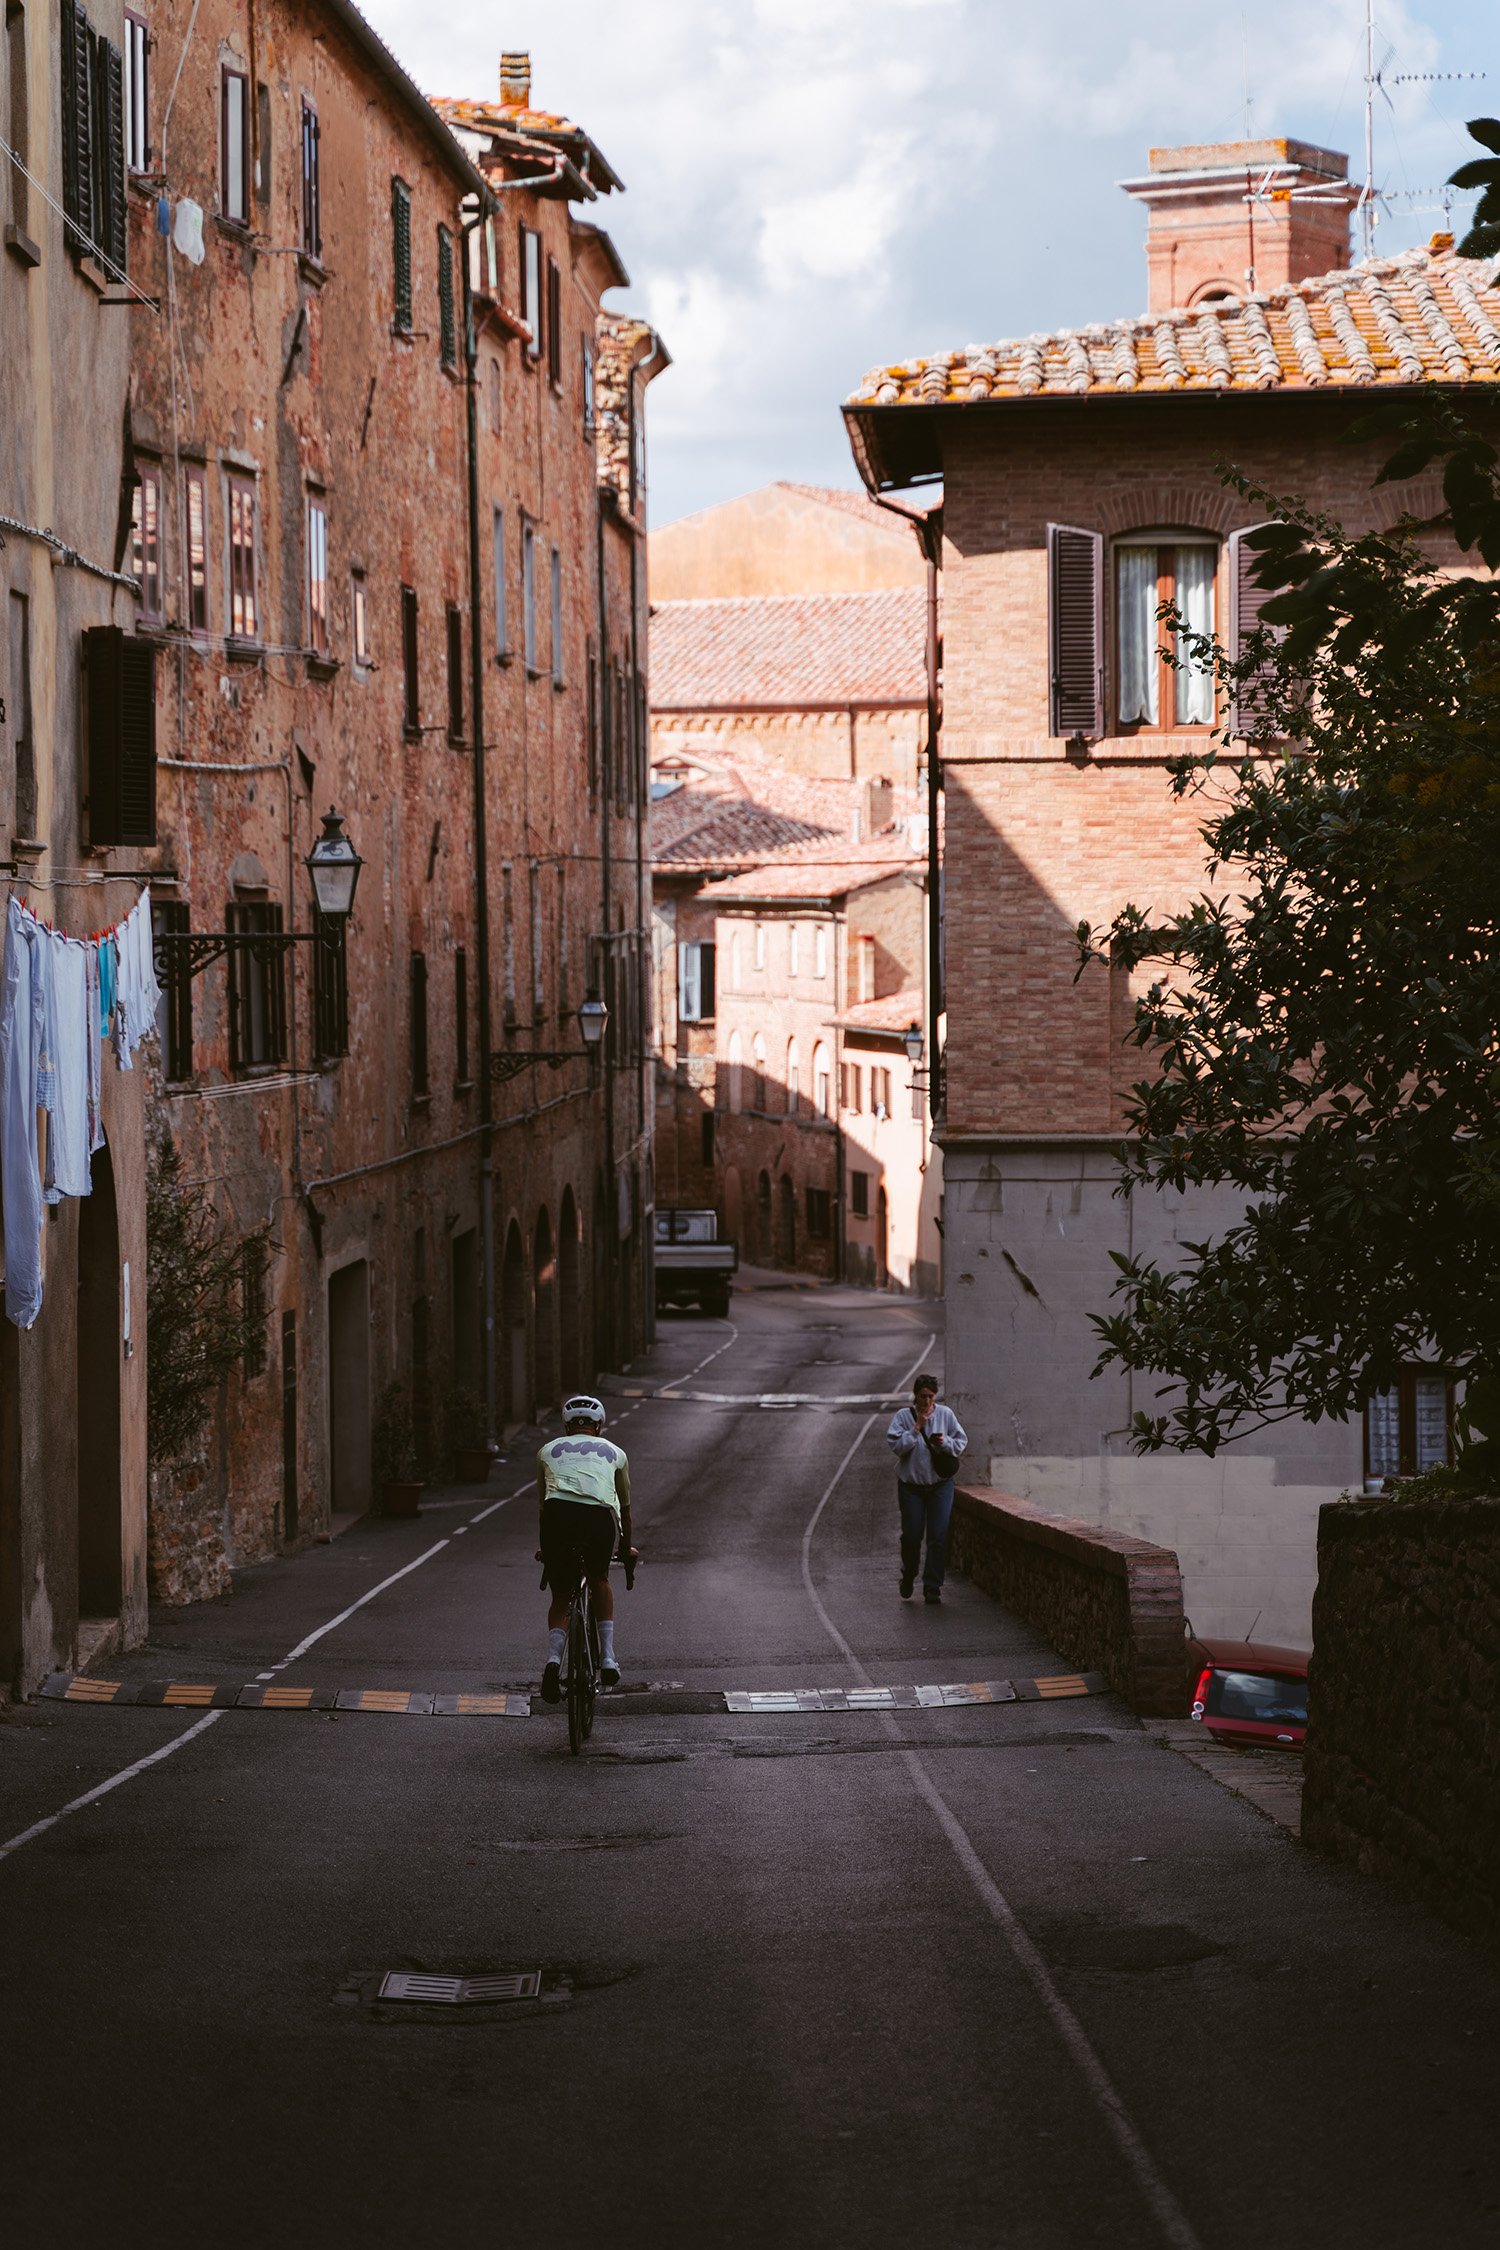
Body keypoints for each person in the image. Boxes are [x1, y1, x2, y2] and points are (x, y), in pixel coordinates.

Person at [536, 1394, 636, 1700]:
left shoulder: (546, 1451)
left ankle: (554, 1662)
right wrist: (626, 1549)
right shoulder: (616, 1453)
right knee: (600, 1579)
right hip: (597, 1519)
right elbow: (625, 1511)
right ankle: (607, 1657)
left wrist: (548, 1551)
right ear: (600, 1425)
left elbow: (545, 1507)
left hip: (557, 1520)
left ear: (567, 1427)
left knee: (562, 1594)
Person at [886, 1374, 968, 1605]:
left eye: (931, 1397)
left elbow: (961, 1442)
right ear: (915, 1395)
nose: (927, 1402)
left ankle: (933, 1586)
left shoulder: (945, 1415)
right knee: (912, 1535)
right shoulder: (903, 1417)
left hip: (939, 1486)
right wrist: (916, 1428)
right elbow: (897, 1447)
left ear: (935, 1396)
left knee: (938, 1536)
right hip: (911, 1488)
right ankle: (909, 1574)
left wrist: (945, 1444)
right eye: (922, 1396)